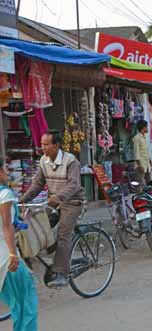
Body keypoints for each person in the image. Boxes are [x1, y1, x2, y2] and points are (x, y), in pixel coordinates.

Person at [19, 130, 84, 288]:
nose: (43, 147)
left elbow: (74, 184)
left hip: (73, 202)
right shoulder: (43, 161)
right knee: (37, 224)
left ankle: (61, 273)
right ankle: (60, 256)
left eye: (47, 144)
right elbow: (37, 184)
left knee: (63, 234)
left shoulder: (71, 161)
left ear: (56, 145)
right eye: (42, 144)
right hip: (54, 202)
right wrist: (22, 200)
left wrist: (59, 196)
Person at [0, 159, 38, 330]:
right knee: (25, 303)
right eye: (5, 169)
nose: (7, 172)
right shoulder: (5, 194)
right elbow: (6, 225)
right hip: (5, 254)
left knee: (16, 301)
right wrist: (13, 254)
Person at [132, 120, 152, 185]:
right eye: (146, 127)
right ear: (143, 127)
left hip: (147, 164)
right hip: (141, 165)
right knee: (140, 184)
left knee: (149, 183)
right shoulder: (136, 138)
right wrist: (140, 166)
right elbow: (136, 153)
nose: (147, 128)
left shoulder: (144, 137)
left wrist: (150, 160)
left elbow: (145, 151)